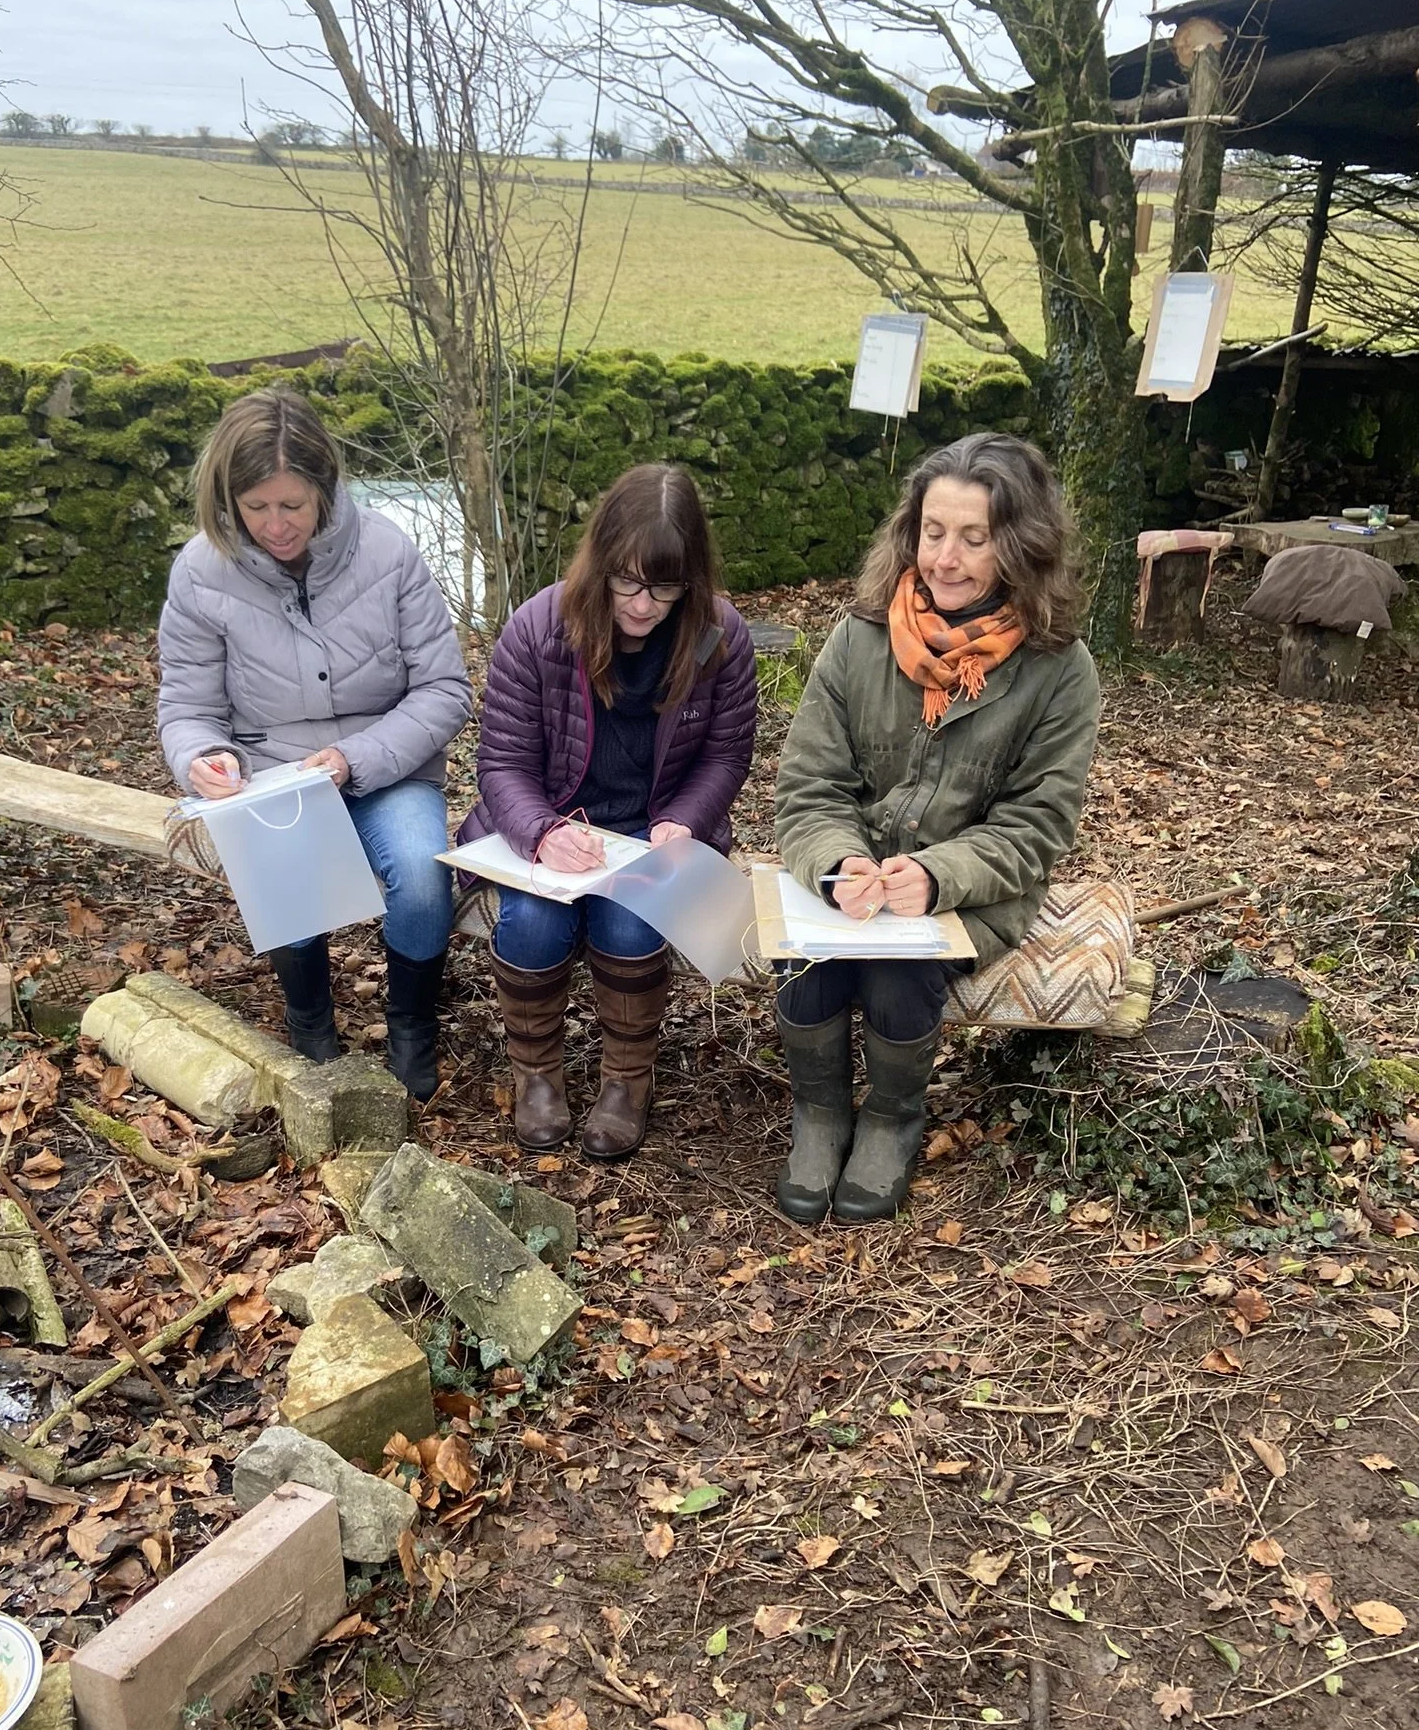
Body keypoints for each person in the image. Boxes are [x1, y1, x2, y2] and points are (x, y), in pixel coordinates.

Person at [772, 432, 1101, 1223]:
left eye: (973, 538)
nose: (946, 558)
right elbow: (810, 785)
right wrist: (838, 864)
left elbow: (1037, 825)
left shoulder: (1061, 669)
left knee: (896, 971)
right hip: (856, 877)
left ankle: (890, 1120)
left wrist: (937, 875)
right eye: (933, 532)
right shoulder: (859, 638)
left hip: (975, 890)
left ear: (1017, 546)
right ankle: (819, 1116)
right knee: (809, 950)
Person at [157, 388, 472, 1100]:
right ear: (227, 498)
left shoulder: (388, 551)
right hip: (271, 774)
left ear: (325, 490)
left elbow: (445, 690)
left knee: (423, 880)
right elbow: (186, 707)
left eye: (292, 506)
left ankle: (411, 1024)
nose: (275, 525)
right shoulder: (201, 573)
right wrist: (204, 757)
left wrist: (356, 758)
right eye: (256, 507)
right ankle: (311, 1028)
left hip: (386, 764)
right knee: (286, 883)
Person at [459, 463, 757, 1159]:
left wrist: (686, 819)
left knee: (628, 925)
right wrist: (541, 831)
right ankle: (536, 1076)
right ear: (599, 562)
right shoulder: (540, 628)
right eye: (627, 580)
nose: (645, 604)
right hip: (557, 825)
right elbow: (501, 762)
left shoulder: (720, 636)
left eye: (665, 586)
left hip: (654, 833)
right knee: (532, 924)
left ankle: (628, 1082)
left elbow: (725, 755)